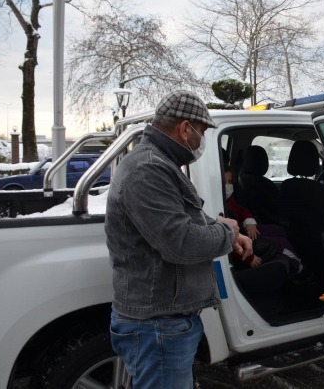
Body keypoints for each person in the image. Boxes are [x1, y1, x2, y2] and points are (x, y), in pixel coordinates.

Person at [105, 90, 253, 389]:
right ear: (185, 129)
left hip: (162, 321)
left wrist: (219, 225)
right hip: (159, 324)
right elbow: (181, 242)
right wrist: (228, 233)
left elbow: (179, 218)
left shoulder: (158, 164)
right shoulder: (148, 169)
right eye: (202, 132)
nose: (202, 140)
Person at [223, 168, 303, 277]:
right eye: (225, 182)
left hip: (244, 230)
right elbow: (229, 242)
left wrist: (249, 223)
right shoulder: (215, 205)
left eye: (230, 182)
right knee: (281, 244)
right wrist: (250, 258)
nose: (228, 186)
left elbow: (241, 210)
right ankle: (298, 270)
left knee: (279, 230)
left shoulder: (228, 199)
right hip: (241, 241)